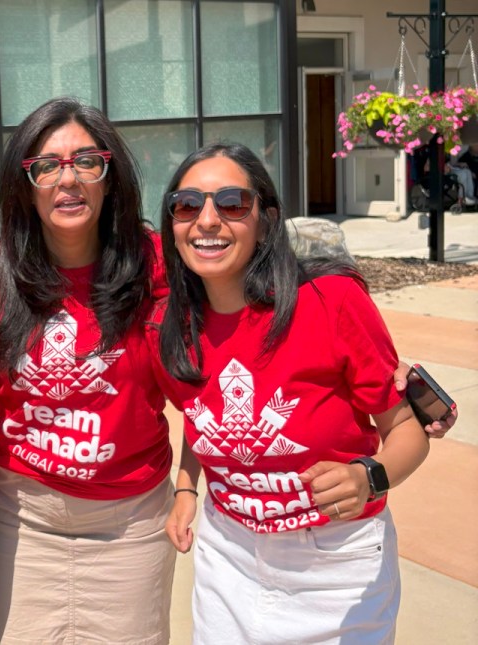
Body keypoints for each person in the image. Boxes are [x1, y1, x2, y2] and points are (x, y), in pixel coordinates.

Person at [154, 143, 431, 644]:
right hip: (228, 557)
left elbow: (406, 428)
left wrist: (371, 476)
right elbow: (206, 421)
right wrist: (186, 489)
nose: (207, 220)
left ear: (266, 218)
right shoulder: (170, 325)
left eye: (233, 203)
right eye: (188, 204)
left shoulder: (331, 302)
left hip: (336, 566)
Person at [0, 97, 176, 644]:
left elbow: (247, 321)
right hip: (25, 520)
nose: (69, 179)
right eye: (47, 165)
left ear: (110, 179)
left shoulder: (155, 262)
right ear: (26, 184)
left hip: (131, 523)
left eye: (87, 162)